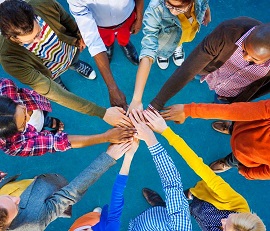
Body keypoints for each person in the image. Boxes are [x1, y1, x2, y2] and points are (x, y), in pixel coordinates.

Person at [0, 0, 132, 128]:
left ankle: (76, 65)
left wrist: (78, 33)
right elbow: (52, 91)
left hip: (69, 52)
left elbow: (66, 19)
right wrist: (101, 113)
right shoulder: (9, 59)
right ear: (12, 38)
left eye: (39, 32)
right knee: (56, 83)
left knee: (74, 62)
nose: (39, 39)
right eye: (31, 40)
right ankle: (59, 81)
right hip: (50, 71)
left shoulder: (43, 3)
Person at [139, 109, 266, 231]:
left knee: (176, 214)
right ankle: (167, 205)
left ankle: (163, 207)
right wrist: (166, 131)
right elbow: (198, 165)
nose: (223, 221)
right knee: (179, 198)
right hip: (198, 195)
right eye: (230, 216)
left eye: (226, 227)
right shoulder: (235, 202)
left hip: (200, 216)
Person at [0, 142, 132, 231]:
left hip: (35, 185)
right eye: (16, 206)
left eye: (6, 198)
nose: (16, 199)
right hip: (51, 194)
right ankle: (60, 211)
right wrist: (109, 157)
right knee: (59, 205)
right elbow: (70, 193)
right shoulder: (34, 221)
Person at [148, 17, 270, 111]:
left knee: (219, 105)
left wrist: (238, 102)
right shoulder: (227, 32)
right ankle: (200, 75)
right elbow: (188, 69)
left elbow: (263, 89)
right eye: (244, 48)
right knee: (196, 71)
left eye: (254, 58)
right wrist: (158, 103)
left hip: (231, 93)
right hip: (210, 69)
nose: (245, 57)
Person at [0, 78, 135, 157]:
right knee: (39, 128)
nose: (27, 115)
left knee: (44, 118)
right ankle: (47, 125)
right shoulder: (14, 145)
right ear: (10, 134)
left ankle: (50, 122)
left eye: (21, 108)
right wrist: (105, 137)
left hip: (37, 104)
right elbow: (57, 142)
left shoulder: (5, 87)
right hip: (34, 129)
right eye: (23, 124)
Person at [128, 0, 210, 113]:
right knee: (162, 49)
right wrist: (136, 99)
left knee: (180, 40)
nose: (172, 11)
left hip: (187, 31)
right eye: (168, 5)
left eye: (178, 9)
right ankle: (163, 54)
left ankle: (177, 46)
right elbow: (148, 49)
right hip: (163, 42)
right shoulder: (156, 9)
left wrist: (206, 9)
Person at [161, 100, 270, 180]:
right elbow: (233, 111)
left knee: (233, 160)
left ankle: (227, 162)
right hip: (242, 125)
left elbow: (266, 172)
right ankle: (231, 128)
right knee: (238, 120)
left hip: (242, 156)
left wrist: (247, 172)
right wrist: (188, 110)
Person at [68, 0, 144, 110]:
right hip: (100, 27)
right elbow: (94, 40)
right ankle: (109, 46)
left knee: (125, 38)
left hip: (127, 19)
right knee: (106, 41)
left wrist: (139, 18)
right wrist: (112, 88)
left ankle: (124, 44)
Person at [127, 109, 192, 230]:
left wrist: (149, 138)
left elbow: (172, 182)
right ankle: (161, 205)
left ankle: (161, 206)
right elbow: (172, 183)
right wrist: (151, 139)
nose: (223, 220)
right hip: (161, 218)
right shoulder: (180, 225)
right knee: (169, 206)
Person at [69, 139, 139, 231]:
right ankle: (97, 216)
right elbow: (117, 196)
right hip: (100, 225)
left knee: (87, 219)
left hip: (80, 224)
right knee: (98, 218)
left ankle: (95, 215)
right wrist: (129, 156)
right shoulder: (110, 228)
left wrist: (128, 156)